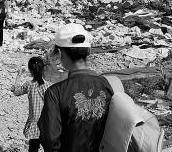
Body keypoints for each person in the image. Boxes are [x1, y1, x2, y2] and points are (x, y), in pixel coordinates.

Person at [38, 23, 113, 152]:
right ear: (88, 51)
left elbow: (50, 139)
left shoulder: (55, 92)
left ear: (60, 53)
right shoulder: (106, 85)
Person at [11, 57, 51, 152]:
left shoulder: (29, 84)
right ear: (43, 68)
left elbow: (16, 92)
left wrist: (19, 75)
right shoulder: (49, 85)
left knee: (33, 147)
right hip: (47, 121)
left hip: (34, 121)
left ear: (30, 70)